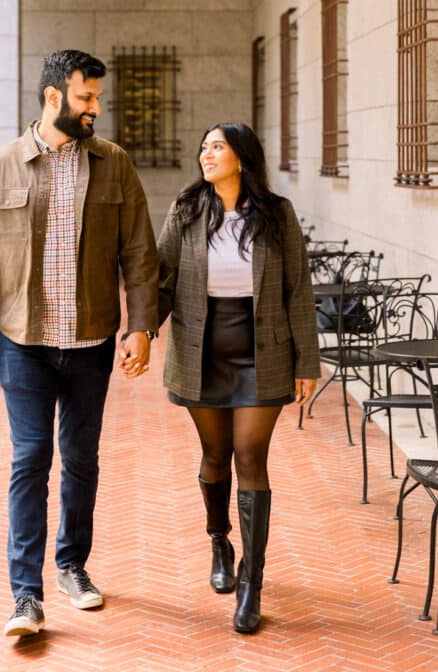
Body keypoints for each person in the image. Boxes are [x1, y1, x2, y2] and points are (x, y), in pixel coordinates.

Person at [0, 49, 158, 637]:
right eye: (86, 97)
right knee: (29, 460)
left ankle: (72, 565)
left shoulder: (114, 164)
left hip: (91, 341)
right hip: (23, 341)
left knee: (81, 460)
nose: (96, 107)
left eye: (97, 97)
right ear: (54, 97)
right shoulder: (1, 167)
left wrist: (141, 326)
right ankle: (25, 594)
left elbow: (140, 255)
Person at [157, 122, 320, 634]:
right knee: (214, 455)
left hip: (263, 355)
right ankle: (219, 540)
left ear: (242, 158)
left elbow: (298, 289)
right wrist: (139, 332)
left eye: (217, 147)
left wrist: (307, 362)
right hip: (200, 353)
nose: (206, 155)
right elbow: (161, 279)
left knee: (251, 456)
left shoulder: (276, 214)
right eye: (203, 147)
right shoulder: (186, 212)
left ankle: (253, 580)